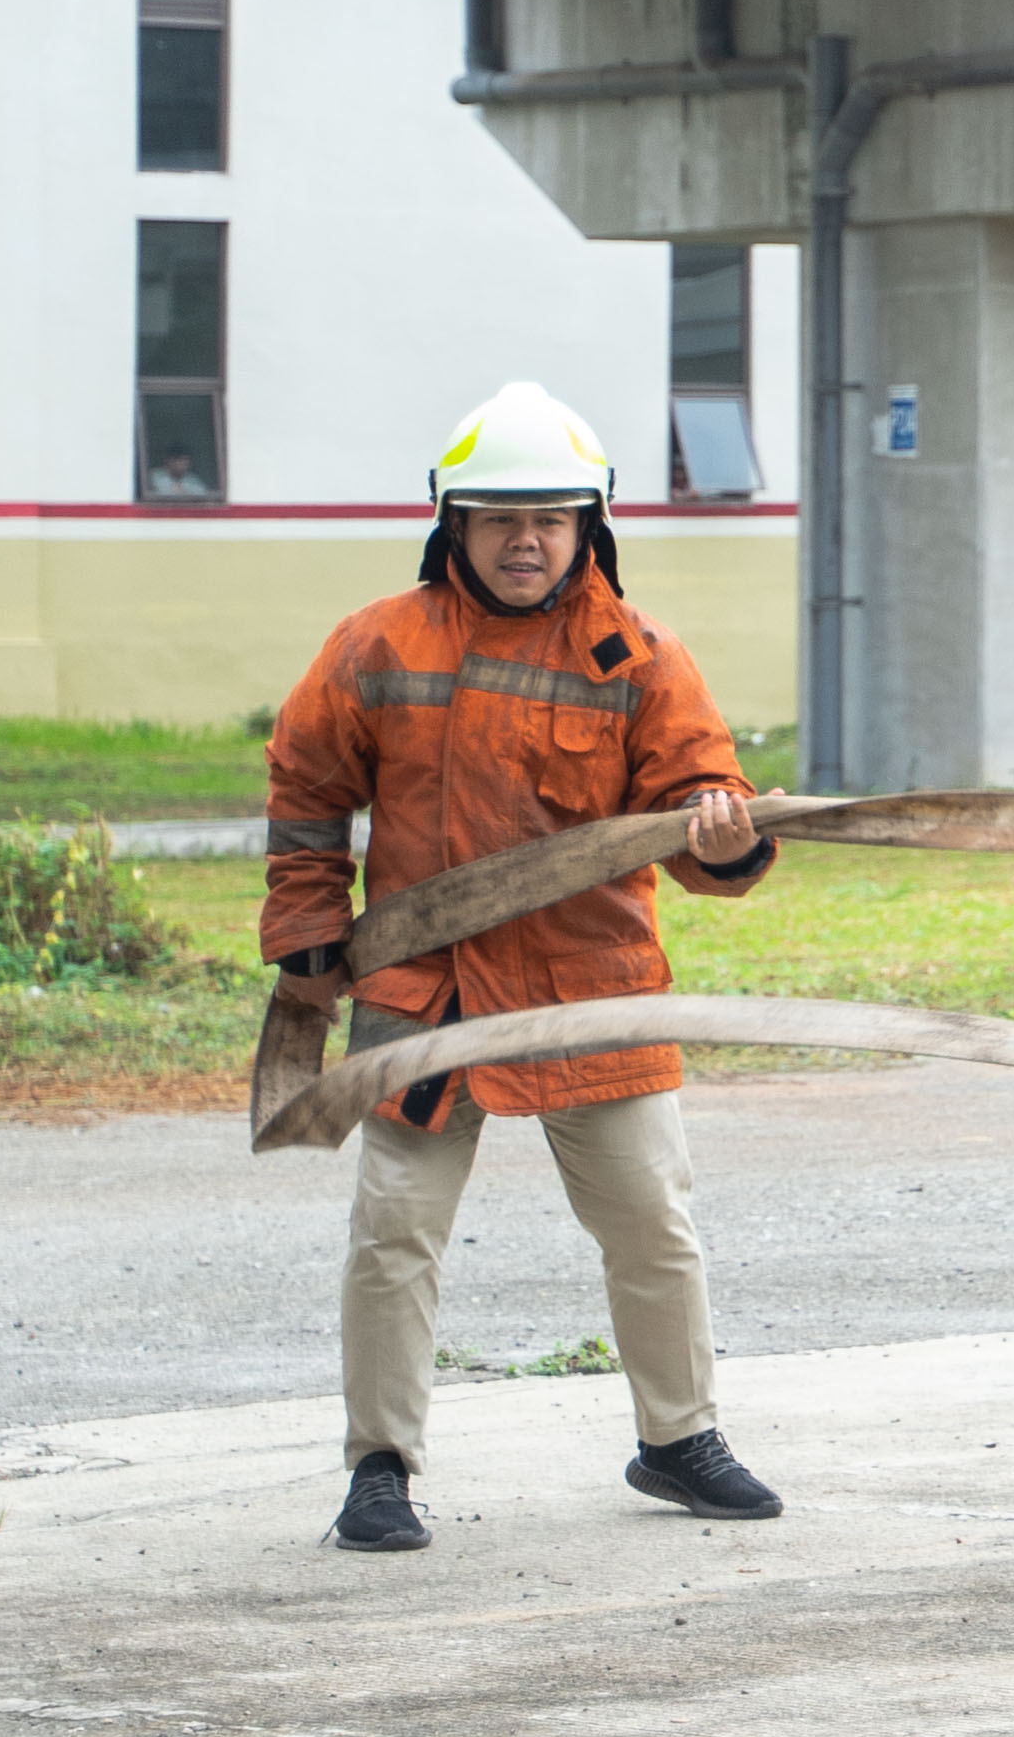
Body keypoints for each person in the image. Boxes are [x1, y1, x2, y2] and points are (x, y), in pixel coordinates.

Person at [268, 380, 789, 1555]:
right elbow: (305, 784)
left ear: (586, 526)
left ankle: (679, 1440)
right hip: (425, 993)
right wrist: (306, 920)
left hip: (590, 991)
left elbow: (702, 799)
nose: (525, 541)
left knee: (651, 1221)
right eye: (500, 519)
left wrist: (727, 837)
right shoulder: (376, 644)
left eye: (549, 519)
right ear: (452, 524)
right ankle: (379, 1469)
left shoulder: (640, 657)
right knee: (394, 1231)